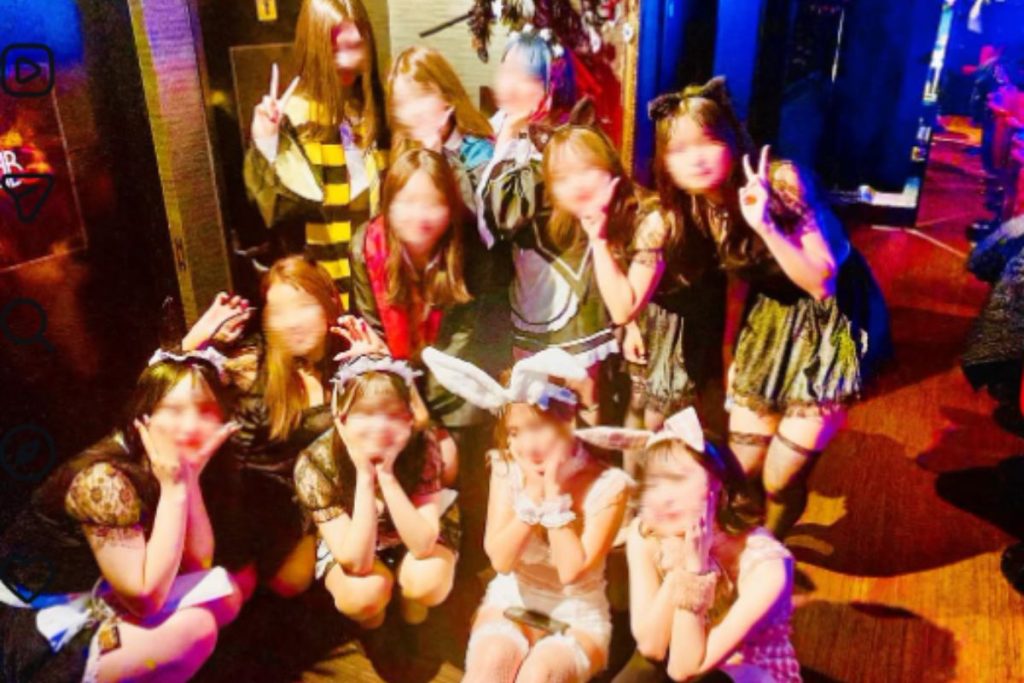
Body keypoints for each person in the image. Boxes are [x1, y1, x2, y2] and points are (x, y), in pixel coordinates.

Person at [648, 77, 891, 537]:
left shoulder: (780, 182)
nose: (695, 158)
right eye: (679, 149)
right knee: (742, 466)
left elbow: (822, 282)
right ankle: (731, 544)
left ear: (731, 140)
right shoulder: (697, 206)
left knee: (780, 477)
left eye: (708, 141)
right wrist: (733, 356)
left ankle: (771, 548)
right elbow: (736, 285)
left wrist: (766, 226)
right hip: (771, 318)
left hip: (830, 324)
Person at [0, 352, 252, 682]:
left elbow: (198, 564)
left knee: (224, 592)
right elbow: (146, 599)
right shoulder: (104, 480)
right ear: (144, 416)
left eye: (205, 410)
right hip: (32, 621)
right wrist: (175, 489)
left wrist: (189, 480)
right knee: (196, 628)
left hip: (94, 595)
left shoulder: (164, 462)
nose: (191, 425)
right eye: (174, 410)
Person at [423, 346, 633, 682]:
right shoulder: (507, 467)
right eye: (515, 432)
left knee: (540, 673)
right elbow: (501, 560)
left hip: (576, 615)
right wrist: (533, 495)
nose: (526, 445)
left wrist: (553, 494)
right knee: (492, 661)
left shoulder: (609, 485)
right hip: (513, 599)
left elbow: (570, 572)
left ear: (567, 421)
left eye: (536, 427)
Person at [576, 409, 800, 682]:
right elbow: (651, 646)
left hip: (744, 671)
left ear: (719, 486)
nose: (663, 497)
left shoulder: (768, 566)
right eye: (654, 483)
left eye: (677, 479)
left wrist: (695, 571)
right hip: (680, 652)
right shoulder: (647, 534)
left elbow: (683, 669)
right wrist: (682, 566)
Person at [182, 256, 348, 597]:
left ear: (329, 302)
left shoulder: (347, 354)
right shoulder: (250, 365)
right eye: (279, 311)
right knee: (291, 580)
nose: (292, 322)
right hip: (266, 507)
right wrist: (193, 344)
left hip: (330, 496)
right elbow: (167, 390)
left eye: (304, 306)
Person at [293, 354, 459, 629]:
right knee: (363, 599)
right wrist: (364, 477)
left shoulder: (422, 445)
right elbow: (356, 563)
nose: (380, 427)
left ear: (409, 418)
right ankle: (376, 617)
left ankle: (409, 599)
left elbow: (423, 545)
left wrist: (387, 476)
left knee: (426, 585)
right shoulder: (315, 462)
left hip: (413, 530)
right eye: (365, 413)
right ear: (341, 417)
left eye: (393, 413)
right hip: (354, 537)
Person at [244, 0, 389, 307]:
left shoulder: (378, 110)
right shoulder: (295, 116)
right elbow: (276, 216)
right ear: (314, 49)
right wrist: (267, 144)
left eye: (356, 46)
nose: (347, 61)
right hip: (318, 290)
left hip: (380, 284)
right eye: (334, 50)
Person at [386, 45, 495, 208]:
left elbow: (476, 216)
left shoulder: (478, 152)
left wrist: (434, 162)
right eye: (402, 102)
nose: (413, 110)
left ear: (448, 97)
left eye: (421, 95)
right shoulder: (404, 150)